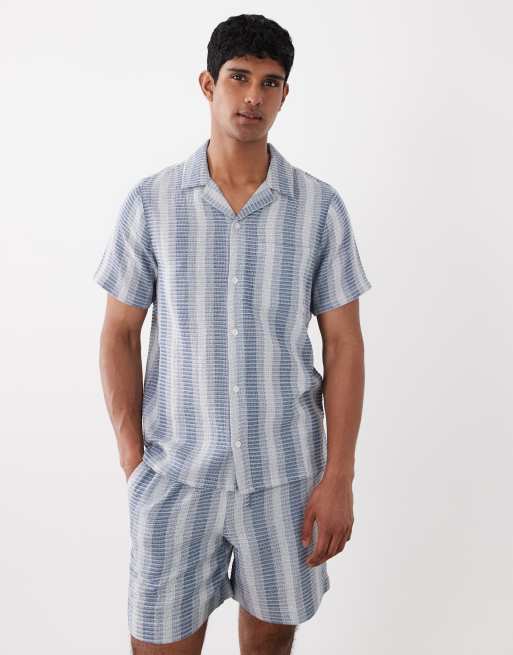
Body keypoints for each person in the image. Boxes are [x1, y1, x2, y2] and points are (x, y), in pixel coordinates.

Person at [93, 13, 372, 655]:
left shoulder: (319, 208)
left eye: (270, 83)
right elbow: (119, 334)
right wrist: (133, 459)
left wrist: (339, 477)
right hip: (175, 476)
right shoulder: (153, 203)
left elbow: (345, 345)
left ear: (285, 94)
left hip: (285, 477)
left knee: (271, 641)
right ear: (208, 84)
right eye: (239, 78)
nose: (253, 97)